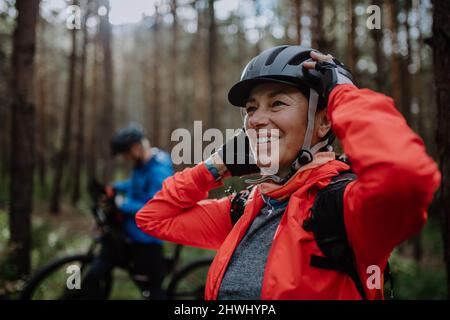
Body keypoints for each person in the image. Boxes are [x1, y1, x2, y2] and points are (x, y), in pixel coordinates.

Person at [135, 46, 441, 300]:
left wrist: (342, 92)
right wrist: (215, 167)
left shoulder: (343, 208)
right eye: (252, 109)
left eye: (277, 102)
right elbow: (153, 217)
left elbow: (404, 177)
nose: (255, 120)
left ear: (323, 122)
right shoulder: (248, 207)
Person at [83, 124, 174, 300]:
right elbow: (135, 185)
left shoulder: (159, 170)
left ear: (136, 148)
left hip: (146, 239)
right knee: (96, 272)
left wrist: (121, 202)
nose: (125, 159)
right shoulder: (142, 164)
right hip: (127, 232)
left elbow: (154, 206)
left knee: (152, 291)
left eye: (125, 154)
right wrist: (113, 188)